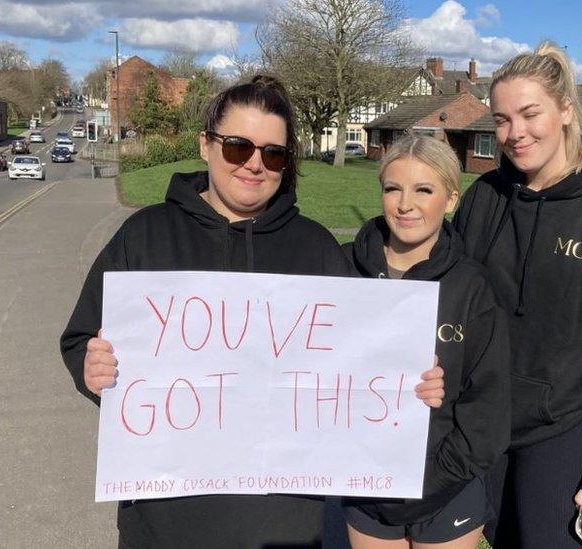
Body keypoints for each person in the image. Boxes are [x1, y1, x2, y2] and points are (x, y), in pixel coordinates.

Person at [59, 76, 446, 548]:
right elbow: (81, 338)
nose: (255, 165)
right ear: (206, 145)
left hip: (281, 521)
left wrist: (409, 384)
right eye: (238, 147)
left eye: (274, 153)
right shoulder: (144, 236)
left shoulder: (315, 248)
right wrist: (91, 368)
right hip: (166, 515)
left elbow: (357, 367)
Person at [452, 42, 582, 548]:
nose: (514, 133)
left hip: (559, 430)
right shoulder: (485, 197)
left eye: (529, 114)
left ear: (565, 110)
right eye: (501, 120)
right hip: (479, 422)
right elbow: (444, 286)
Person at [337, 135, 511, 549]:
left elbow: (488, 408)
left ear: (451, 199)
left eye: (424, 190)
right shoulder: (341, 268)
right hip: (368, 482)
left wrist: (436, 476)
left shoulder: (473, 286)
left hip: (446, 484)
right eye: (392, 188)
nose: (405, 204)